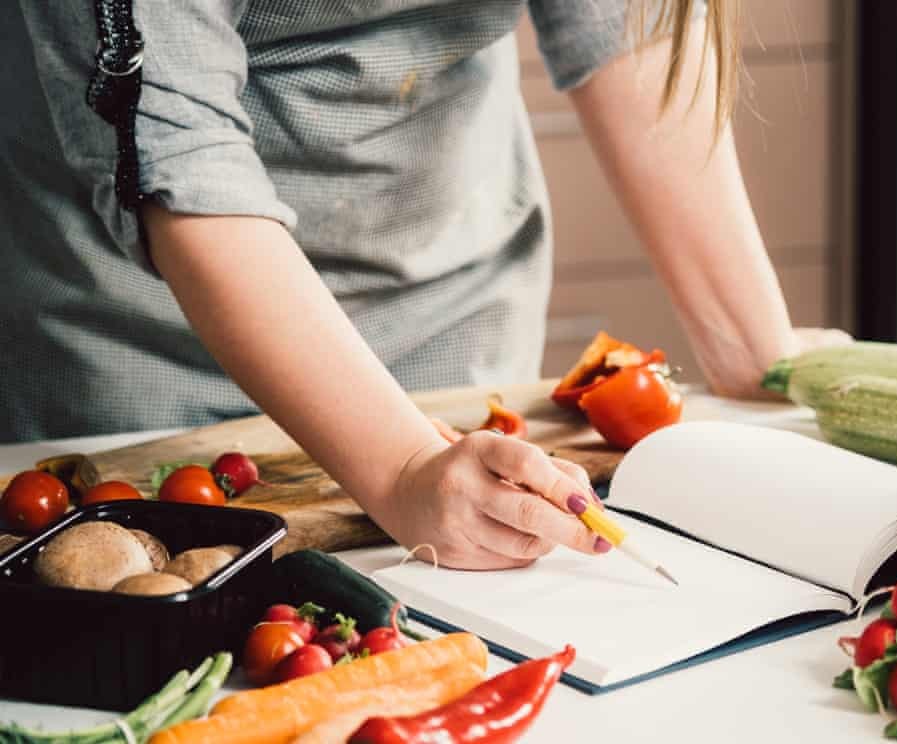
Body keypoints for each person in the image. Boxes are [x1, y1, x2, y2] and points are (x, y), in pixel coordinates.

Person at [3, 1, 848, 569]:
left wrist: (752, 346)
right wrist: (406, 468)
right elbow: (180, 155)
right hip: (138, 350)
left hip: (456, 324)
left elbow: (631, 25)